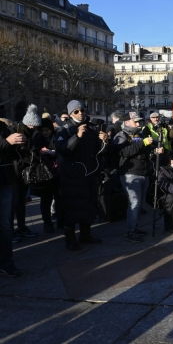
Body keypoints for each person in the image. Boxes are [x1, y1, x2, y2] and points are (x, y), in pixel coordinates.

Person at [56, 100, 107, 251]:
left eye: (82, 110)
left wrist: (105, 141)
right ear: (71, 113)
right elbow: (63, 150)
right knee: (71, 208)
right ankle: (70, 238)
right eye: (76, 111)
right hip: (72, 176)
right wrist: (77, 137)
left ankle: (86, 234)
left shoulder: (92, 128)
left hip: (89, 174)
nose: (80, 113)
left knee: (89, 205)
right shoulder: (64, 129)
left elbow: (100, 152)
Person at [113, 111, 159, 243]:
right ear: (126, 122)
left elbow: (144, 150)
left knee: (139, 204)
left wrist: (154, 149)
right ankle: (130, 231)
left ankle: (134, 227)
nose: (138, 124)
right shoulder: (121, 136)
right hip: (130, 174)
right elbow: (124, 152)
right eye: (136, 122)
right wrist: (142, 143)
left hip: (143, 172)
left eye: (139, 122)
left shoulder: (140, 134)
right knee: (134, 203)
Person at [0, 118, 26, 277]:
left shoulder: (4, 127)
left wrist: (20, 143)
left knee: (5, 226)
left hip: (5, 181)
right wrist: (6, 142)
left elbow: (13, 154)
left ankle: (6, 262)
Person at [11, 104, 41, 239]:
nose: (33, 127)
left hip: (23, 172)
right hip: (16, 172)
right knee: (15, 202)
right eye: (32, 125)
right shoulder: (19, 133)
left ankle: (21, 227)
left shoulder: (31, 135)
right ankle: (13, 229)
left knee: (21, 202)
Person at [31, 118, 62, 233]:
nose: (45, 132)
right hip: (44, 173)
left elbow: (61, 150)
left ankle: (60, 220)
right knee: (46, 200)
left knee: (59, 198)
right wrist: (39, 153)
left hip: (57, 172)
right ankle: (47, 223)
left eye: (47, 130)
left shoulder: (57, 136)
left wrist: (52, 152)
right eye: (43, 130)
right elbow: (33, 152)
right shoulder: (37, 138)